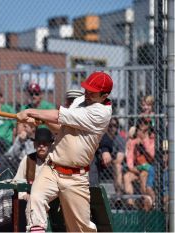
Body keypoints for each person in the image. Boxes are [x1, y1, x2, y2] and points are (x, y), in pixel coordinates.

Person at [17, 71, 113, 232]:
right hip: (52, 168)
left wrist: (31, 112)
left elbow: (59, 115)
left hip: (76, 177)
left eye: (92, 93)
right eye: (86, 90)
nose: (87, 94)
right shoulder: (81, 100)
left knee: (80, 228)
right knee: (36, 200)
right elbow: (61, 128)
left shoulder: (101, 113)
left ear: (104, 96)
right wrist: (43, 121)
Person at [89, 118, 125, 199]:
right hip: (98, 163)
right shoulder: (100, 137)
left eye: (115, 126)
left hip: (111, 165)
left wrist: (108, 159)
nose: (112, 128)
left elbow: (119, 159)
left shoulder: (119, 140)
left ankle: (118, 196)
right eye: (110, 126)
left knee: (118, 166)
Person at [124, 118, 155, 209]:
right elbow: (129, 159)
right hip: (137, 169)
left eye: (145, 124)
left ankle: (146, 201)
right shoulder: (133, 142)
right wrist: (132, 168)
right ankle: (130, 204)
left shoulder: (152, 139)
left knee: (143, 175)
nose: (142, 125)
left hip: (149, 169)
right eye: (139, 126)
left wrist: (144, 141)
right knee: (127, 176)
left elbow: (152, 156)